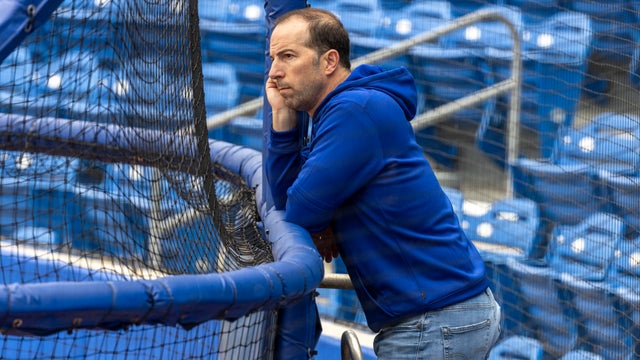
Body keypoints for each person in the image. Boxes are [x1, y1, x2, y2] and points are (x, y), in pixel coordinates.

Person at [265, 7, 501, 359]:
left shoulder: (355, 110)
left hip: (436, 318)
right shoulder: (340, 111)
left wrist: (321, 216)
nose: (274, 73)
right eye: (272, 59)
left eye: (287, 56)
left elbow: (299, 209)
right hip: (439, 313)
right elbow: (289, 200)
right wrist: (283, 119)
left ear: (329, 61)